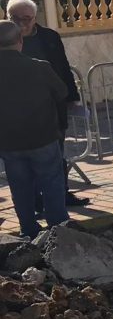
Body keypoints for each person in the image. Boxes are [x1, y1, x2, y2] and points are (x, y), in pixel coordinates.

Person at [6, 0, 89, 208]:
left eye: (26, 18)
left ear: (35, 18)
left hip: (50, 111)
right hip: (15, 114)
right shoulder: (3, 38)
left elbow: (62, 67)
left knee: (56, 156)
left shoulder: (49, 37)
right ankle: (35, 202)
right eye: (15, 18)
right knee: (24, 164)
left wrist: (72, 98)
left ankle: (62, 196)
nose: (21, 23)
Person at [0, 20, 69, 238]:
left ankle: (28, 228)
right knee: (52, 183)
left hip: (9, 141)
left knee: (20, 187)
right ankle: (58, 230)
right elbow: (62, 92)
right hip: (43, 137)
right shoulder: (39, 67)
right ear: (20, 40)